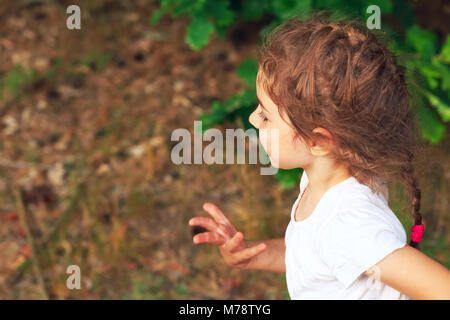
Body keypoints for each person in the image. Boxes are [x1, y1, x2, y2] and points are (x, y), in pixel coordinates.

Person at [188, 17, 450, 299]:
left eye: (265, 114)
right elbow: (312, 254)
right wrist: (252, 254)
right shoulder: (324, 181)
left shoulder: (349, 225)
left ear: (319, 141)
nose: (253, 119)